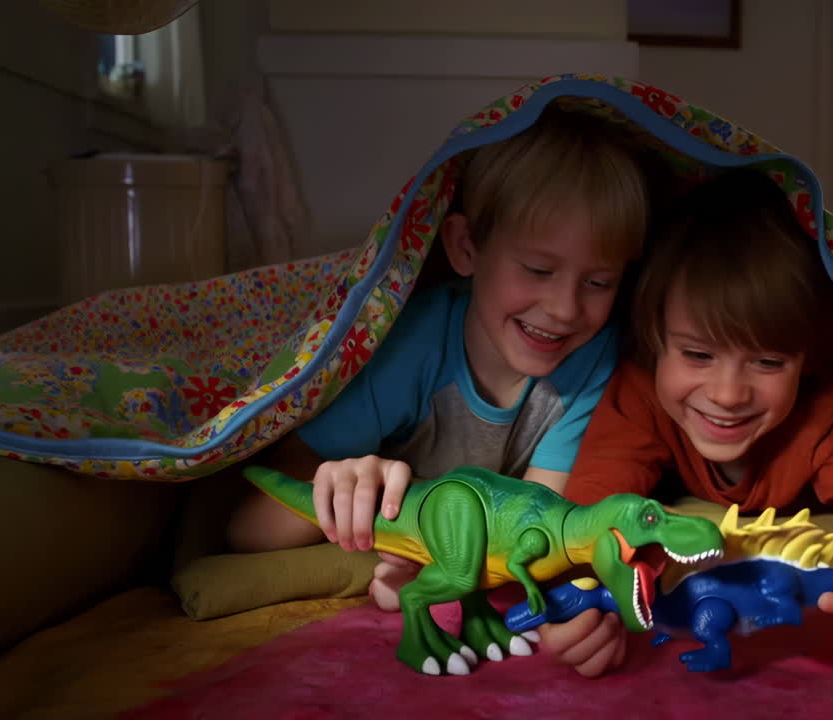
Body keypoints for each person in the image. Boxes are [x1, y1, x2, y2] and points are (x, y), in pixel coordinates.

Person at [538, 168, 833, 683]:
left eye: (768, 363)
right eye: (697, 353)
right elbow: (592, 509)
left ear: (806, 358)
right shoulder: (638, 392)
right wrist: (580, 595)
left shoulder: (823, 410)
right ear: (653, 338)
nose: (728, 394)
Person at [226, 105, 651, 614]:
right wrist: (342, 487)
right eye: (538, 269)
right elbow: (246, 527)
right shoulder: (409, 349)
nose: (564, 308)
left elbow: (535, 531)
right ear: (466, 247)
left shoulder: (593, 353)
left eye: (599, 282)